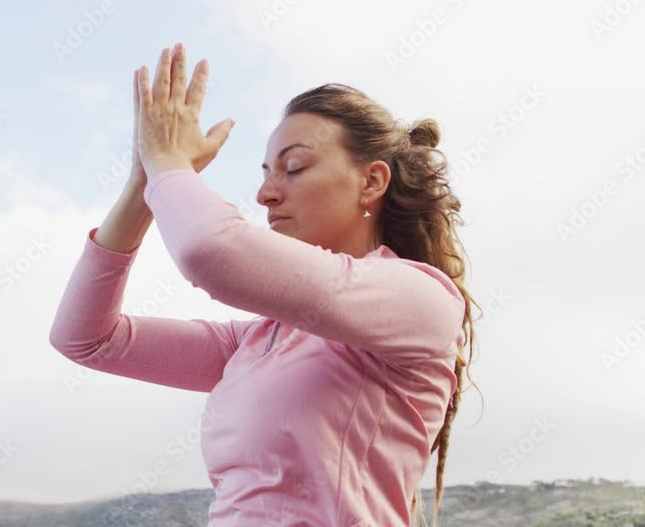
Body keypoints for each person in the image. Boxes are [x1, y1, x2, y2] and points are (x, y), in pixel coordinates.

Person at [49, 41, 481, 527]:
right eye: (266, 173)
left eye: (294, 168)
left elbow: (212, 251)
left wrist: (168, 165)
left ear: (372, 182)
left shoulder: (419, 298)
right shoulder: (260, 342)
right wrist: (143, 182)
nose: (265, 193)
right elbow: (85, 338)